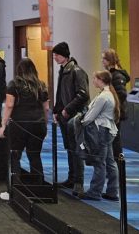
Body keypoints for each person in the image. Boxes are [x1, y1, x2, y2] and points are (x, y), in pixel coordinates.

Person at [0, 58, 49, 183]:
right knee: (34, 155)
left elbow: (9, 105)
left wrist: (3, 125)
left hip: (20, 124)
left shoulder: (14, 84)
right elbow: (46, 108)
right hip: (38, 123)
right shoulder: (41, 85)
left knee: (15, 155)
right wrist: (45, 124)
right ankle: (38, 186)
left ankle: (14, 186)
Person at [51, 41, 90, 195]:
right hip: (65, 116)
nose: (54, 57)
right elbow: (60, 93)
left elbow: (83, 94)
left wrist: (67, 109)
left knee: (76, 149)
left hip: (75, 116)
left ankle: (78, 182)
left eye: (56, 55)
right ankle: (71, 178)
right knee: (69, 148)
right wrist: (57, 110)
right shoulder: (63, 71)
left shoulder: (77, 71)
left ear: (64, 55)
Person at [77, 70, 120, 201]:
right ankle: (112, 191)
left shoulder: (103, 97)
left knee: (99, 162)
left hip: (101, 130)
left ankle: (95, 192)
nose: (93, 81)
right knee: (109, 161)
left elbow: (91, 115)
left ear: (101, 79)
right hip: (108, 130)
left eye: (95, 78)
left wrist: (81, 122)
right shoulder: (108, 94)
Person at [103, 48, 130, 159]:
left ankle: (118, 164)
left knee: (115, 139)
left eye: (104, 59)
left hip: (116, 112)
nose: (102, 61)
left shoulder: (116, 75)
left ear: (109, 60)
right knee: (113, 138)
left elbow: (121, 94)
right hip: (115, 111)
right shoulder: (112, 74)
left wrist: (112, 106)